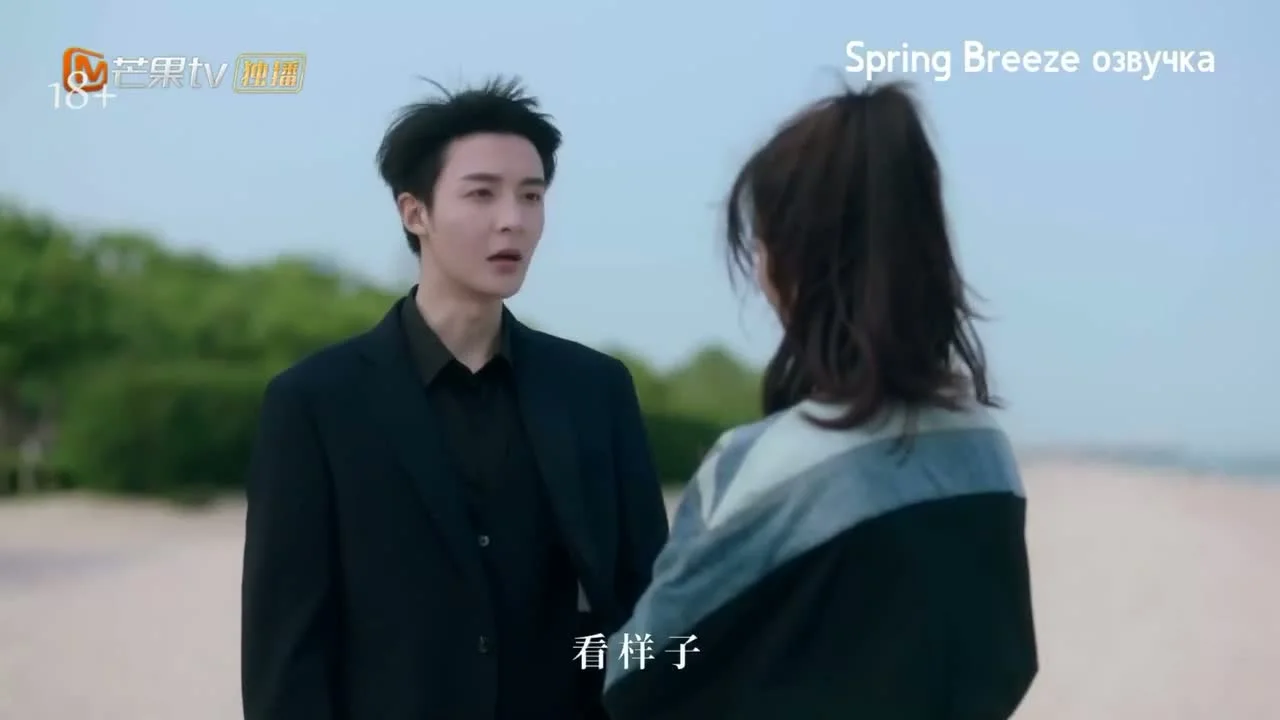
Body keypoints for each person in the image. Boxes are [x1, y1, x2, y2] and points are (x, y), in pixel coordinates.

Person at [601, 82, 1038, 719]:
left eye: (759, 242)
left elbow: (640, 671)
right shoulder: (986, 451)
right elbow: (1006, 662)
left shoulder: (760, 468)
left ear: (791, 260)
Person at [240, 76, 670, 720]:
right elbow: (285, 649)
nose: (512, 219)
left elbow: (649, 607)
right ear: (415, 213)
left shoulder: (595, 390)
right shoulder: (316, 403)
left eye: (531, 195)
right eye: (481, 193)